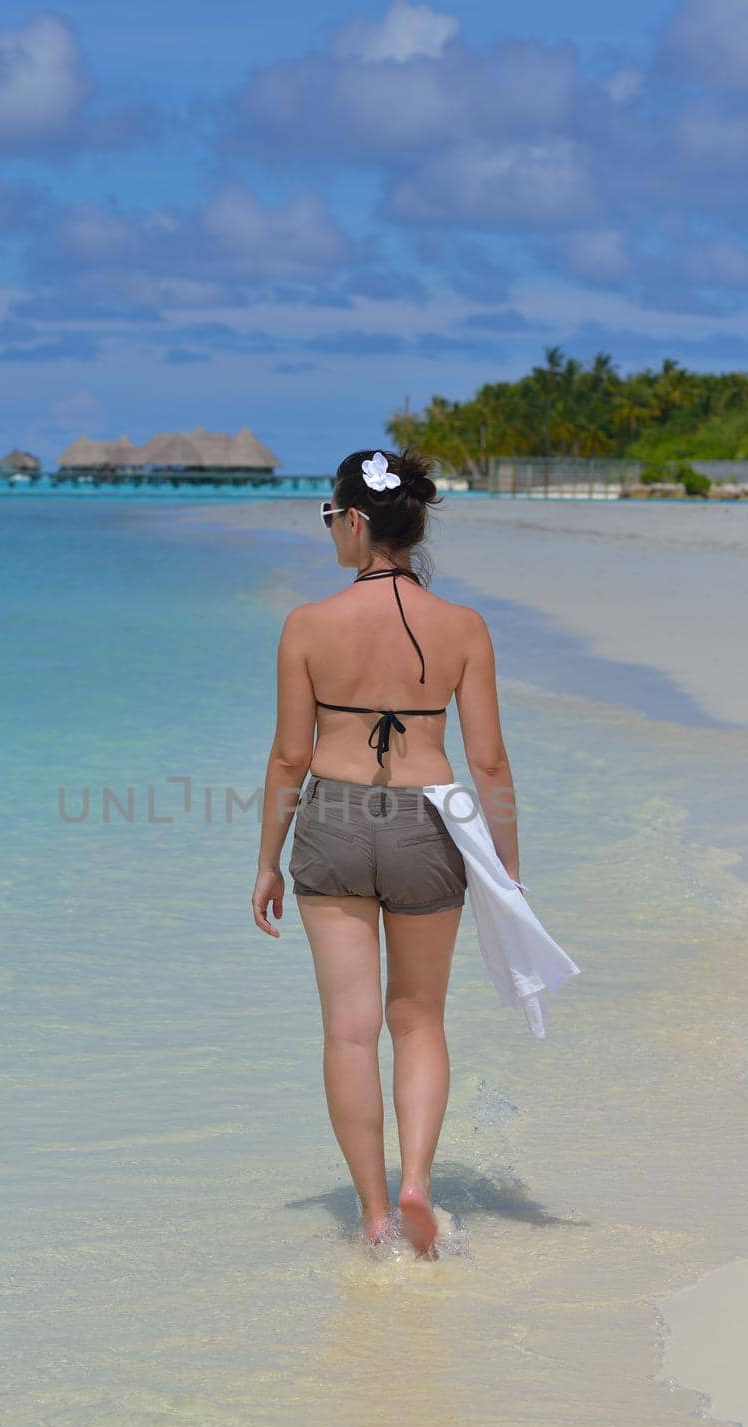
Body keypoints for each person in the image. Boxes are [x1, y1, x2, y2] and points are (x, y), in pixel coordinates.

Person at [251, 446, 521, 1259]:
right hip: (427, 825)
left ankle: (372, 1217)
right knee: (419, 1020)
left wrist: (267, 859)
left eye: (331, 516)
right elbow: (491, 762)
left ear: (357, 521)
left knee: (349, 1030)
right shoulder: (464, 628)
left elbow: (289, 758)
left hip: (331, 821)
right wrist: (505, 866)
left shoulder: (306, 625)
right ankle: (417, 1185)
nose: (330, 529)